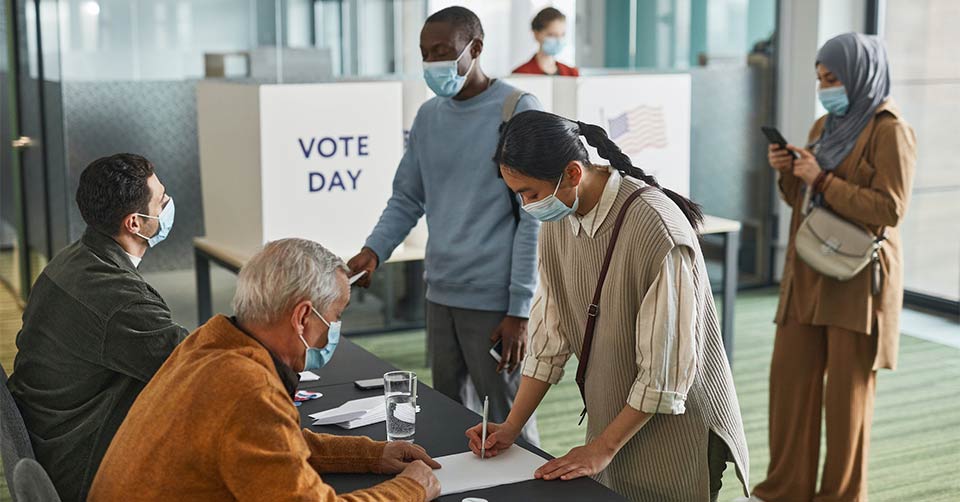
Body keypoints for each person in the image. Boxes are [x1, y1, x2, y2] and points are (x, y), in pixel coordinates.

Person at [466, 110, 750, 502]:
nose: (527, 205)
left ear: (572, 173)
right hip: (617, 418)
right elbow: (551, 336)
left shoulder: (657, 228)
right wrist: (511, 426)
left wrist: (602, 447)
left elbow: (664, 375)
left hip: (678, 424)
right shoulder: (558, 218)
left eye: (530, 193)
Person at [89, 238, 441, 501]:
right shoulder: (248, 388)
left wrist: (372, 455)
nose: (335, 327)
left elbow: (275, 445)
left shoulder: (207, 343)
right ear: (303, 317)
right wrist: (410, 488)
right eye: (336, 316)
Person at [348, 6, 542, 444]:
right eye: (424, 53)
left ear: (475, 49)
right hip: (442, 294)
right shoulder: (429, 117)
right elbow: (407, 198)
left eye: (443, 51)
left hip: (495, 304)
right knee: (450, 418)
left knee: (511, 426)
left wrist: (519, 310)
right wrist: (375, 250)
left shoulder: (516, 109)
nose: (432, 63)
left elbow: (533, 218)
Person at [746, 33, 916, 502]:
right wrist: (787, 169)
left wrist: (820, 177)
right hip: (809, 271)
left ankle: (840, 497)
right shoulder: (825, 125)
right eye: (820, 78)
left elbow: (890, 208)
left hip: (858, 281)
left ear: (860, 75)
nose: (825, 88)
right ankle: (785, 489)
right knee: (790, 385)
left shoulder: (890, 129)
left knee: (847, 401)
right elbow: (803, 200)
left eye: (833, 78)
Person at [5, 153, 187, 502]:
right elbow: (197, 364)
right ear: (135, 222)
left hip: (53, 441)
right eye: (162, 200)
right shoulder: (119, 302)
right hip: (85, 465)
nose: (167, 204)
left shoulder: (74, 259)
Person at [512, 7, 579, 76]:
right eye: (552, 35)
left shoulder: (572, 73)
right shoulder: (521, 74)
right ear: (536, 34)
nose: (559, 40)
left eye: (562, 35)